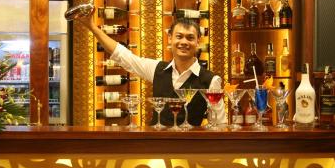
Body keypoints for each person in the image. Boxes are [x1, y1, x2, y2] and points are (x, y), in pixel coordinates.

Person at [76, 15, 226, 127]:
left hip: (189, 152)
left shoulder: (211, 80)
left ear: (198, 42)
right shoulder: (157, 69)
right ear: (169, 39)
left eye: (190, 38)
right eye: (179, 36)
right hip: (154, 151)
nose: (184, 42)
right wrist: (93, 27)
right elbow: (123, 56)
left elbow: (219, 124)